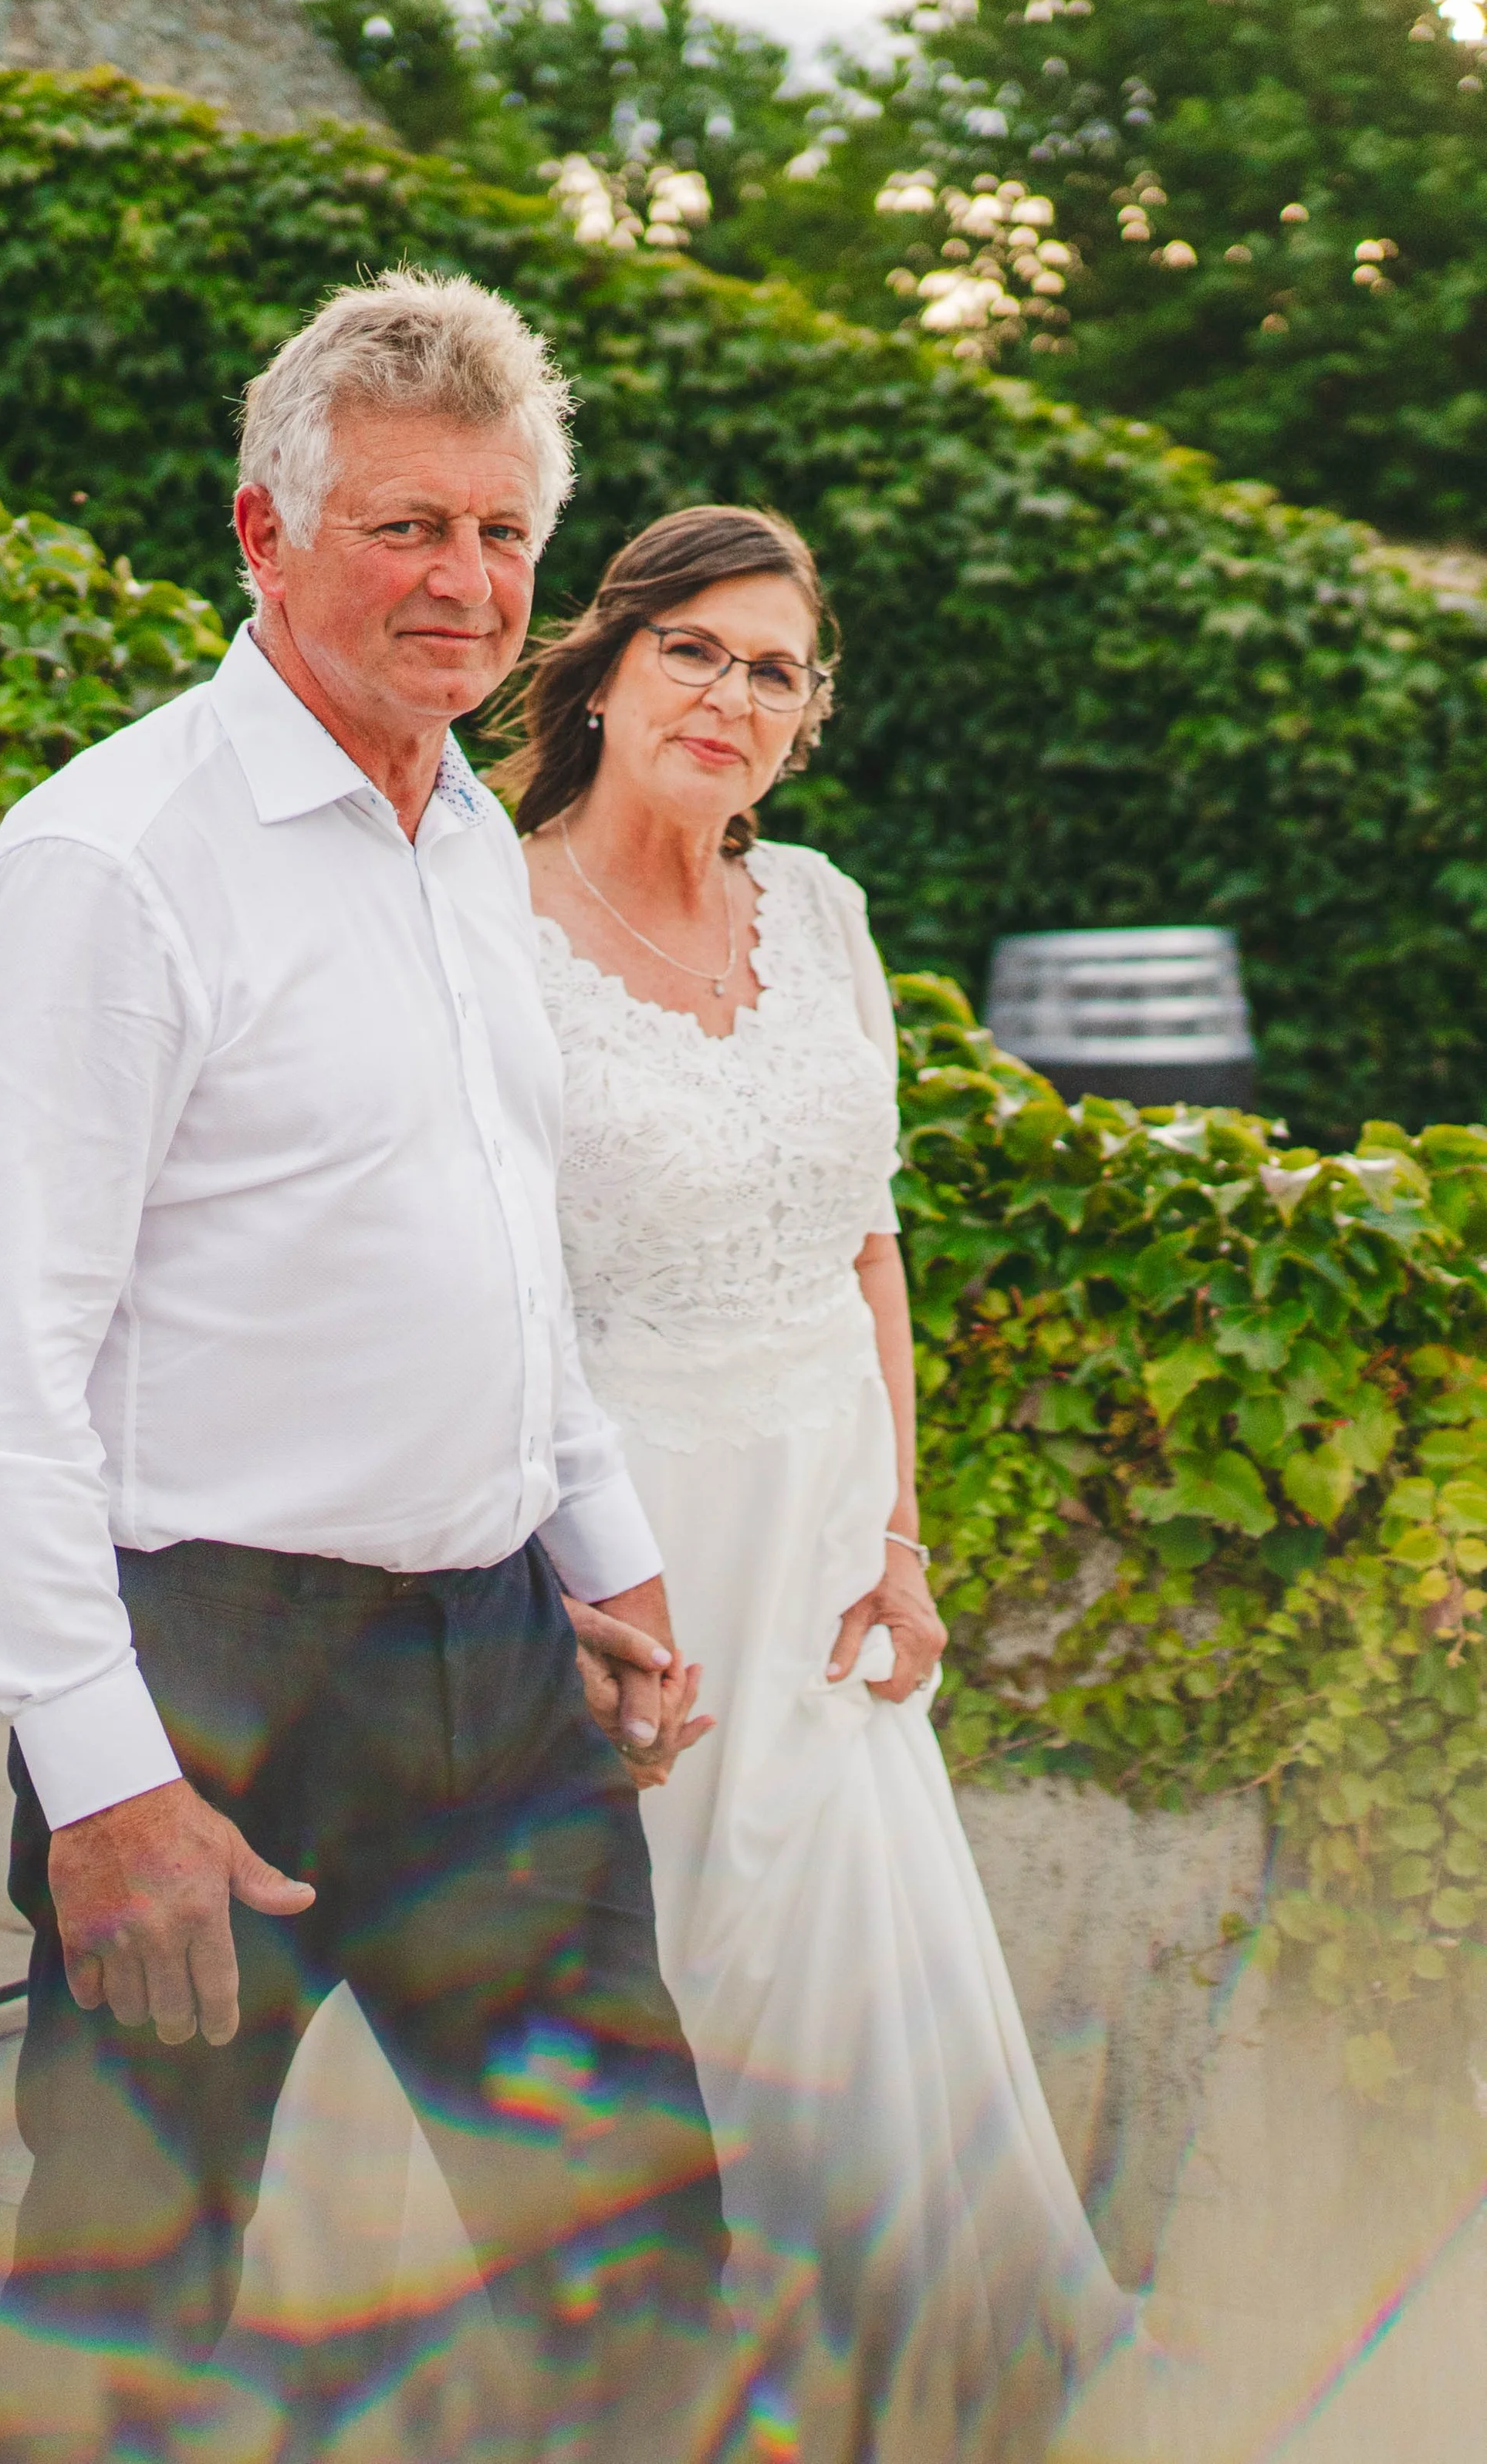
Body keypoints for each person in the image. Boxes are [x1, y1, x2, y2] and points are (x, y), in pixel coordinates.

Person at [0, 278, 729, 2461]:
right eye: (400, 528)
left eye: (496, 532)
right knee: (130, 2302)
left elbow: (500, 1247)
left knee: (636, 2272)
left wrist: (608, 1558)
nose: (460, 583)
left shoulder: (466, 833)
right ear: (259, 533)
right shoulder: (104, 866)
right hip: (210, 1688)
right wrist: (100, 1779)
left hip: (497, 1673)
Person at [502, 505, 1134, 2460]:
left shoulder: (828, 916)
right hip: (629, 1543)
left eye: (771, 670)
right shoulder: (477, 920)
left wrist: (905, 1540)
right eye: (690, 648)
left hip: (829, 1568)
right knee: (678, 1978)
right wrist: (548, 1585)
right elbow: (471, 1289)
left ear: (806, 718)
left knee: (862, 1992)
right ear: (602, 670)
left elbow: (866, 1243)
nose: (728, 694)